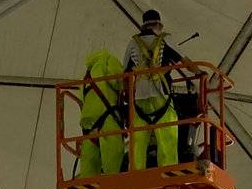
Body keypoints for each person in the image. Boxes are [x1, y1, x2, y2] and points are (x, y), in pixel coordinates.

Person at [123, 9, 191, 172]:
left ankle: (136, 174)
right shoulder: (165, 39)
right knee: (167, 136)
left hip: (139, 99)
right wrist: (200, 73)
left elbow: (125, 73)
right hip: (161, 96)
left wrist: (127, 96)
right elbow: (185, 60)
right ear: (158, 25)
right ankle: (168, 173)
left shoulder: (133, 43)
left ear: (143, 26)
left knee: (138, 139)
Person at [78, 48, 125, 178]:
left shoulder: (84, 78)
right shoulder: (108, 61)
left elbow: (81, 101)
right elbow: (122, 82)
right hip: (108, 121)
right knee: (113, 170)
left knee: (88, 173)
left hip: (89, 127)